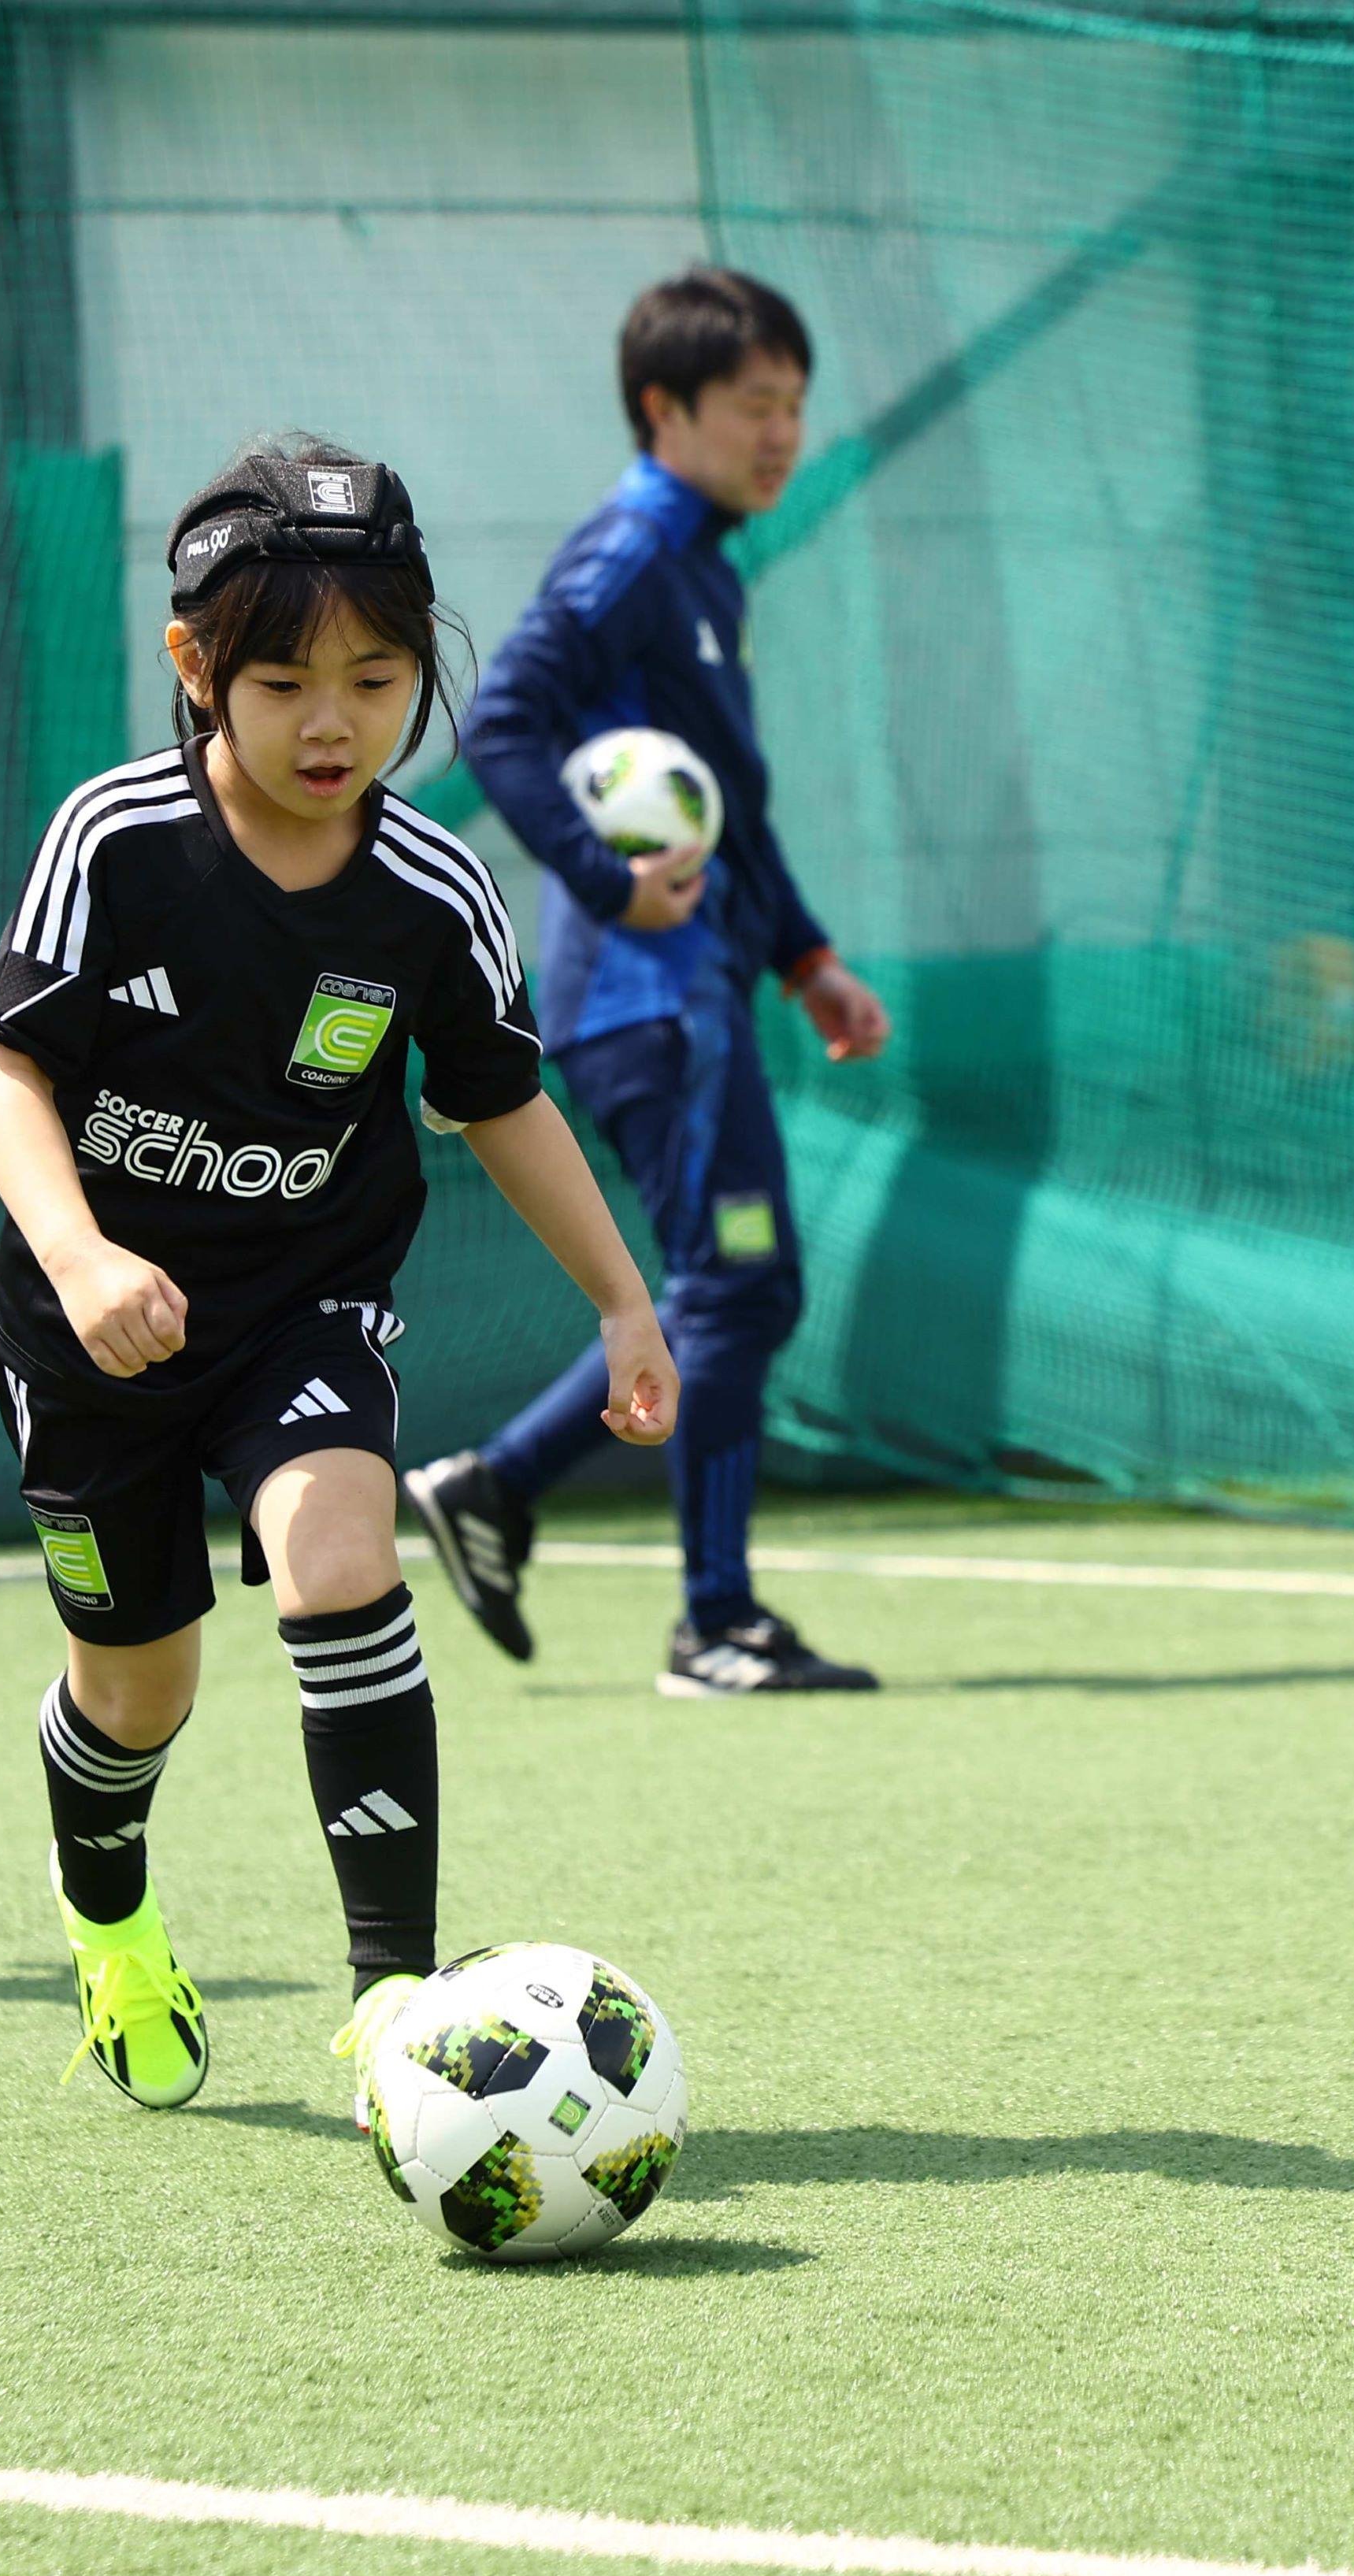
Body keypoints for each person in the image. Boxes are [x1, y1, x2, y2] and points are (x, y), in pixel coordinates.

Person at [0, 439, 678, 2115]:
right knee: (138, 1688)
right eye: (283, 679)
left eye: (376, 675)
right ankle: (112, 1918)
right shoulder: (112, 840)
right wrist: (80, 1258)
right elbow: (8, 1078)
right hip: (87, 1337)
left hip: (303, 1309)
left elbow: (498, 1098)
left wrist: (621, 1299)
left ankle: (394, 1998)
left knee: (339, 1558)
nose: (332, 719)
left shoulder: (429, 891)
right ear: (196, 668)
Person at [402, 266, 892, 1697]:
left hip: (700, 992)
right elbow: (500, 719)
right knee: (735, 1285)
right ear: (664, 409)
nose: (783, 432)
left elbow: (726, 799)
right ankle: (714, 1622)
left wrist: (805, 958)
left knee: (733, 1284)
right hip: (646, 1002)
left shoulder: (704, 571)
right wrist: (608, 880)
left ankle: (501, 1490)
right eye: (754, 404)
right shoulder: (626, 553)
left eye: (797, 404)